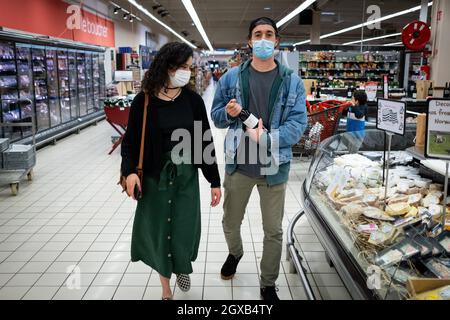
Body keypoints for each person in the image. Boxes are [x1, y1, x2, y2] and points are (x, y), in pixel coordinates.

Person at [211, 17, 307, 301]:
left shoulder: (291, 81)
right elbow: (216, 117)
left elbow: (297, 124)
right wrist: (227, 114)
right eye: (258, 34)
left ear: (276, 41)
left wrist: (266, 138)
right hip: (238, 164)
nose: (263, 39)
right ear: (250, 41)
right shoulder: (231, 78)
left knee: (273, 230)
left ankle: (267, 283)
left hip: (274, 168)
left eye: (269, 34)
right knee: (230, 221)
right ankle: (235, 253)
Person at [121, 42, 222, 300]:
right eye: (182, 67)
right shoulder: (143, 100)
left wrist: (214, 180)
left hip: (186, 176)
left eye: (189, 67)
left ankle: (181, 265)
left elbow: (204, 141)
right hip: (155, 177)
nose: (187, 72)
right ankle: (166, 288)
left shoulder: (193, 101)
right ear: (167, 67)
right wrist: (130, 171)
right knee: (158, 230)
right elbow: (130, 141)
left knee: (183, 228)